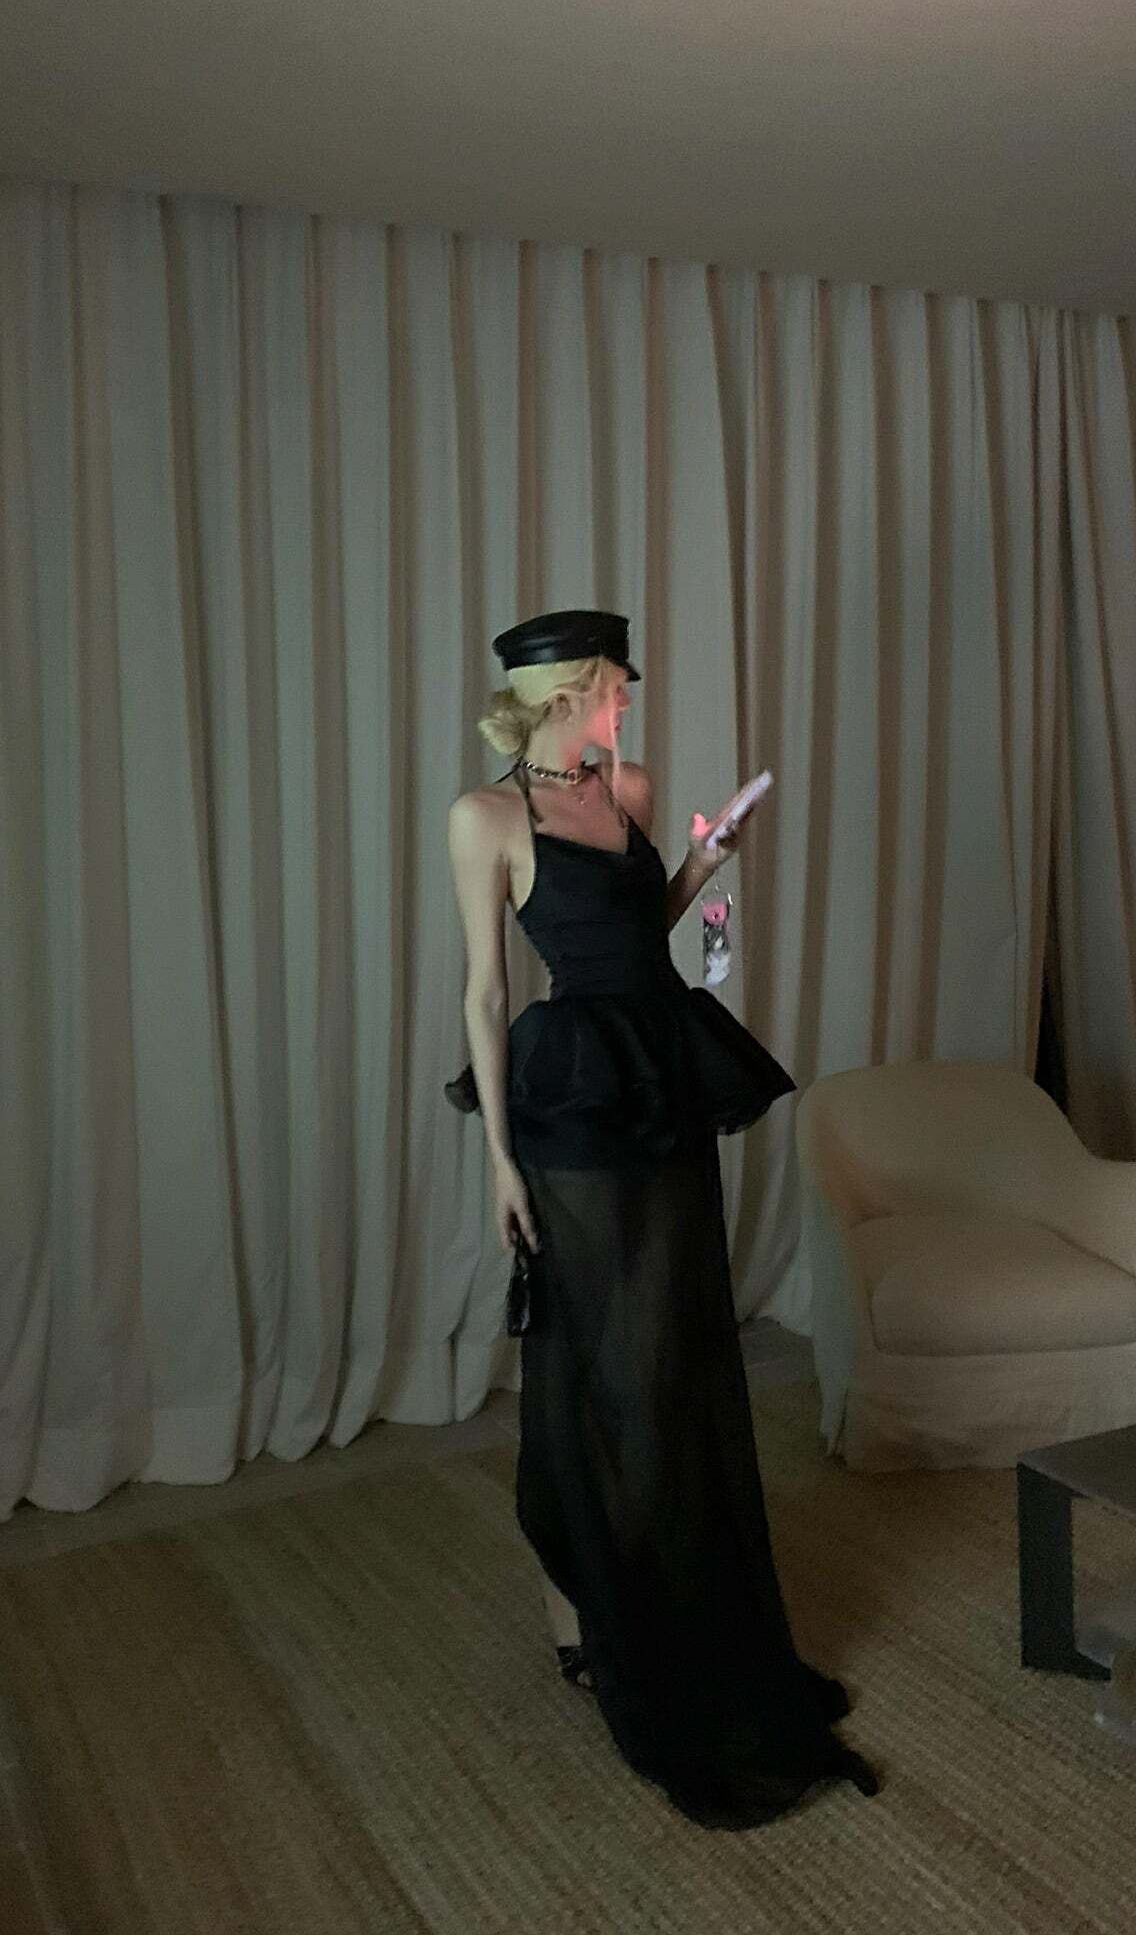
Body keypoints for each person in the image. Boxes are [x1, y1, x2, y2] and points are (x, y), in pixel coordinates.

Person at [446, 607, 878, 1829]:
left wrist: (704, 868)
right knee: (599, 1356)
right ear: (563, 693)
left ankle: (665, 1599)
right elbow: (483, 993)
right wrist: (497, 1161)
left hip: (662, 1076)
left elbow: (648, 933)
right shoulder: (484, 818)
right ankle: (578, 1597)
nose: (625, 703)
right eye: (611, 686)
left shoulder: (626, 786)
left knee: (676, 1350)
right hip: (573, 1099)